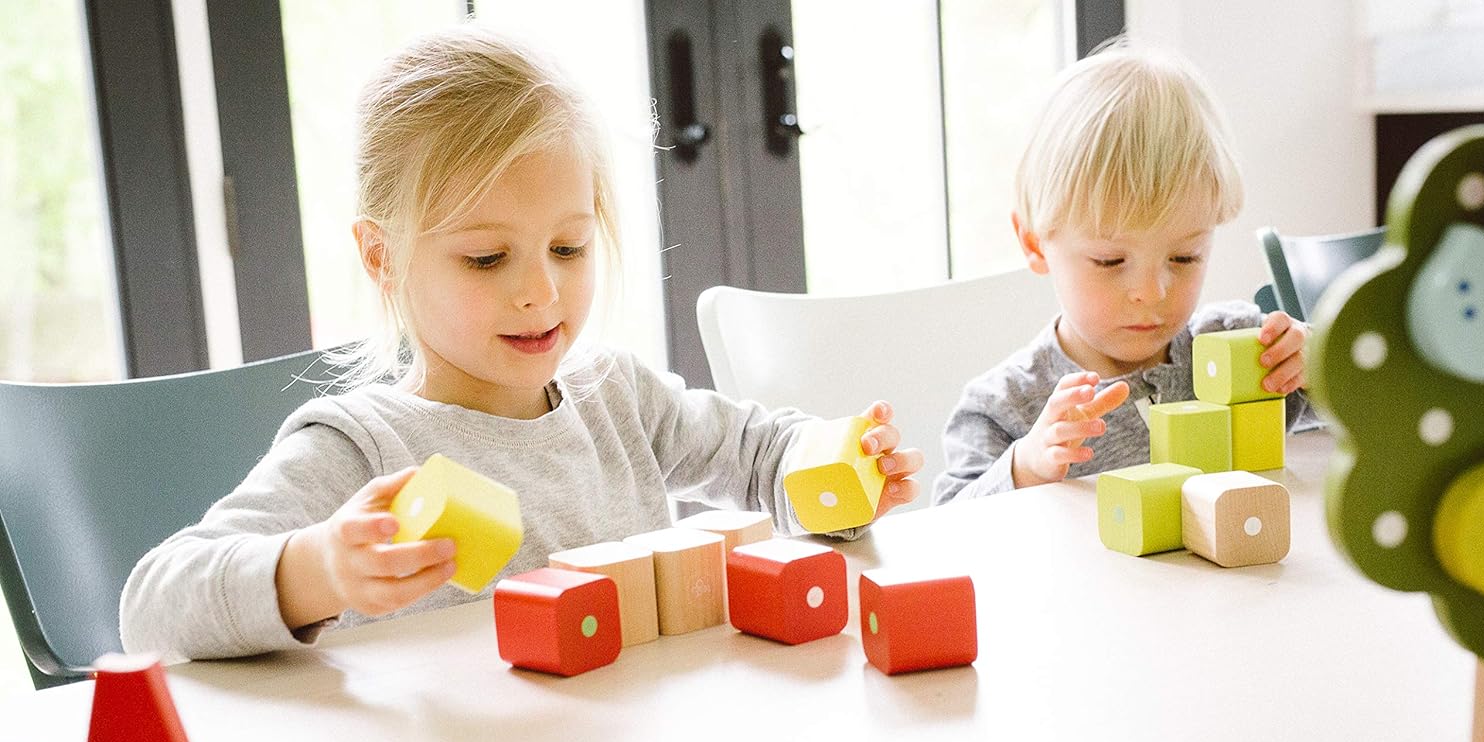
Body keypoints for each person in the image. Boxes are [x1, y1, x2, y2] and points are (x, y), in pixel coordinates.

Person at [120, 24, 921, 661]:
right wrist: (319, 569)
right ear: (382, 256)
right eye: (486, 258)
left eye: (568, 249)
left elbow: (760, 454)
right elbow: (153, 607)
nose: (540, 290)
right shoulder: (363, 449)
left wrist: (844, 476)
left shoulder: (618, 398)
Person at [932, 42, 1311, 503]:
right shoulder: (1006, 406)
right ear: (1035, 243)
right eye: (1111, 261)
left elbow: (1381, 423)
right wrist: (1024, 468)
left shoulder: (1246, 349)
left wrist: (1326, 363)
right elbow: (948, 528)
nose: (1151, 292)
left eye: (1185, 257)